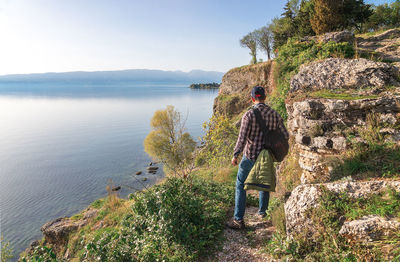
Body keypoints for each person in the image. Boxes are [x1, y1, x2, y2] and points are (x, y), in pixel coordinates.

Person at [226, 86, 289, 230]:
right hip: (267, 155)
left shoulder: (249, 115)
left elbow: (242, 138)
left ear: (253, 98)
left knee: (241, 185)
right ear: (265, 97)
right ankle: (262, 213)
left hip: (251, 155)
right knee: (264, 182)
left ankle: (238, 220)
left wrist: (235, 155)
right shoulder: (275, 114)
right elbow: (285, 135)